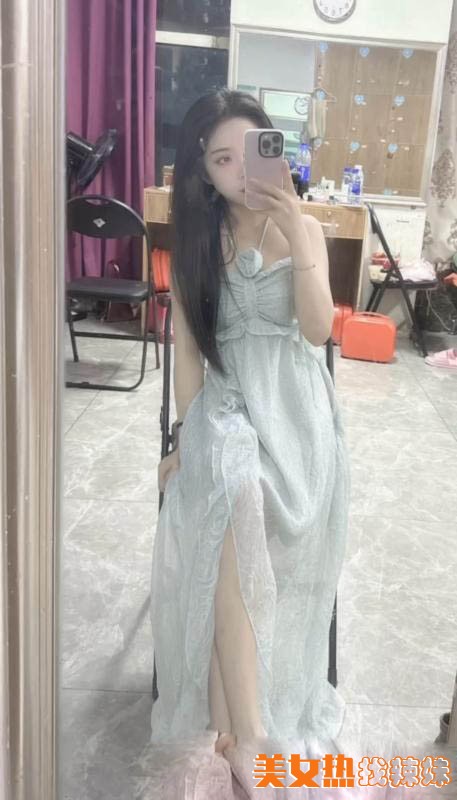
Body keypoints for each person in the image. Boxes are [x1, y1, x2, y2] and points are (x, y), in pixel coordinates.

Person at [149, 89, 351, 798]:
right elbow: (188, 355)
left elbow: (318, 331)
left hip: (294, 413)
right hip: (226, 406)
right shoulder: (197, 243)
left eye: (250, 153)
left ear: (275, 152)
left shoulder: (307, 229)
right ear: (203, 174)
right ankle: (253, 734)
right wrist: (181, 438)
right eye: (221, 160)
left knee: (245, 503)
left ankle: (229, 725)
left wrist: (293, 224)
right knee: (236, 488)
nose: (239, 172)